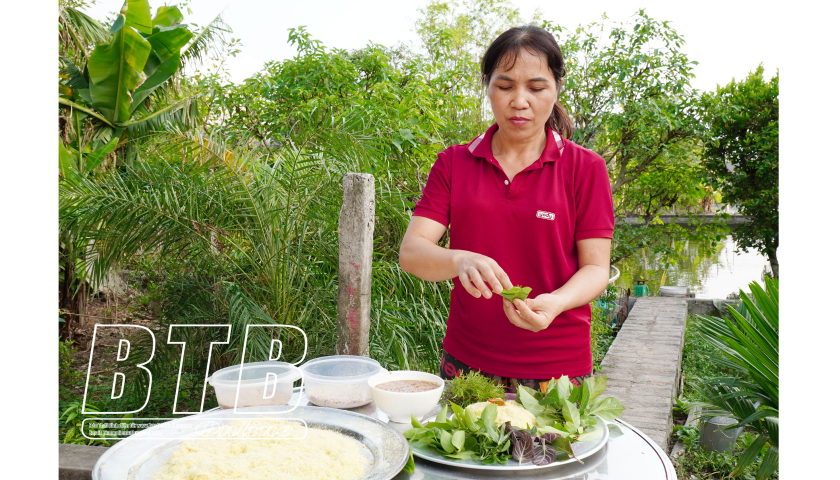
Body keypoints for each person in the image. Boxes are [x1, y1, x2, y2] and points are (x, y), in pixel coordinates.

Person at [398, 25, 614, 393]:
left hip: (557, 367)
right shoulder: (454, 163)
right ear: (487, 85)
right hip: (468, 363)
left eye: (536, 87)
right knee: (458, 450)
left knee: (555, 451)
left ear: (556, 88)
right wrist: (458, 261)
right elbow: (412, 253)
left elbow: (596, 268)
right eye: (504, 85)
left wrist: (556, 302)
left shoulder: (584, 167)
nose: (519, 100)